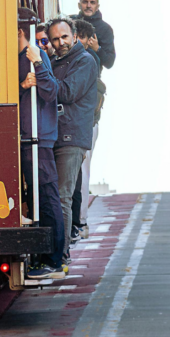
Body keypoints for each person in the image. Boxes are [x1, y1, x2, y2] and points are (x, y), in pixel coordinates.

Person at [47, 18, 98, 261]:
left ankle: (62, 253)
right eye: (55, 39)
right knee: (57, 196)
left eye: (64, 37)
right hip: (56, 135)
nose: (60, 43)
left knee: (62, 195)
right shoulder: (56, 60)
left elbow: (66, 92)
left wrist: (42, 76)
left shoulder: (85, 60)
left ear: (75, 35)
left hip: (71, 136)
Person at [17, 27, 65, 279]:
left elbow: (50, 91)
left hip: (40, 138)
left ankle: (54, 259)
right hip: (26, 137)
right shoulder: (15, 57)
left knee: (47, 196)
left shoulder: (33, 54)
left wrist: (37, 61)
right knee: (36, 197)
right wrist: (23, 86)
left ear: (19, 31)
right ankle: (45, 256)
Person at [68, 20, 107, 240]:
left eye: (79, 38)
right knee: (80, 172)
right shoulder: (88, 58)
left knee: (82, 172)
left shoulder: (88, 59)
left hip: (86, 124)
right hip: (86, 123)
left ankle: (81, 221)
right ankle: (79, 221)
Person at [70, 0, 116, 70]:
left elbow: (109, 62)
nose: (88, 5)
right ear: (79, 5)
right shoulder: (69, 22)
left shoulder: (105, 29)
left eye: (92, 2)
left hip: (91, 76)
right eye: (85, 2)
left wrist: (97, 49)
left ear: (97, 7)